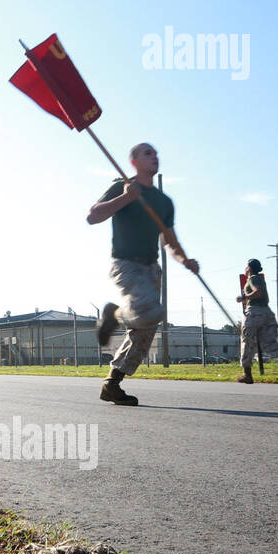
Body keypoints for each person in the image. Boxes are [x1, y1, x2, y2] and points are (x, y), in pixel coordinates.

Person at [87, 142, 200, 405]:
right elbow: (93, 216)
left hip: (151, 269)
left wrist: (185, 259)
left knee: (144, 330)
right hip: (126, 264)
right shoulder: (122, 186)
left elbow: (169, 240)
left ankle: (112, 383)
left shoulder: (163, 201)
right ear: (134, 160)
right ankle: (114, 313)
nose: (155, 156)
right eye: (147, 153)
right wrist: (126, 197)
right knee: (152, 311)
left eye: (156, 153)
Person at [237, 258, 278, 382]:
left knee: (247, 343)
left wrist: (245, 297)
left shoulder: (252, 278)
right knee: (269, 344)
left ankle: (247, 374)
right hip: (267, 313)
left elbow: (258, 292)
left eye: (246, 267)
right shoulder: (260, 279)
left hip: (254, 313)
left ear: (249, 268)